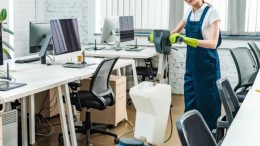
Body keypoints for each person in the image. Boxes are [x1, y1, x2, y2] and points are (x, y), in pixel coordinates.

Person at [170, 0, 222, 130]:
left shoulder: (212, 12)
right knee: (190, 105)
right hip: (191, 68)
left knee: (207, 106)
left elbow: (213, 43)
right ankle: (193, 137)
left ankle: (210, 138)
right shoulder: (188, 13)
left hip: (207, 68)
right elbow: (174, 32)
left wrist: (189, 40)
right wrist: (160, 36)